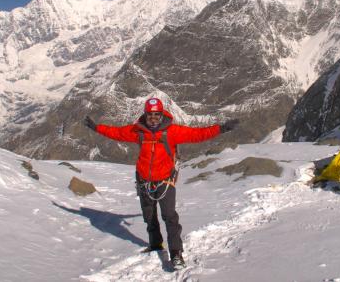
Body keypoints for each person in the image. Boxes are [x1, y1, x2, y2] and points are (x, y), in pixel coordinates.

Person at [84, 97, 239, 269]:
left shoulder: (172, 131)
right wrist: (97, 128)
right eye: (150, 116)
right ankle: (156, 244)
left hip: (165, 181)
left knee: (170, 217)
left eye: (156, 115)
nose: (153, 119)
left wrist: (222, 129)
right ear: (145, 115)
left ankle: (176, 254)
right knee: (149, 217)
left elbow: (198, 134)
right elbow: (117, 132)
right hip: (144, 181)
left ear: (161, 115)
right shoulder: (138, 131)